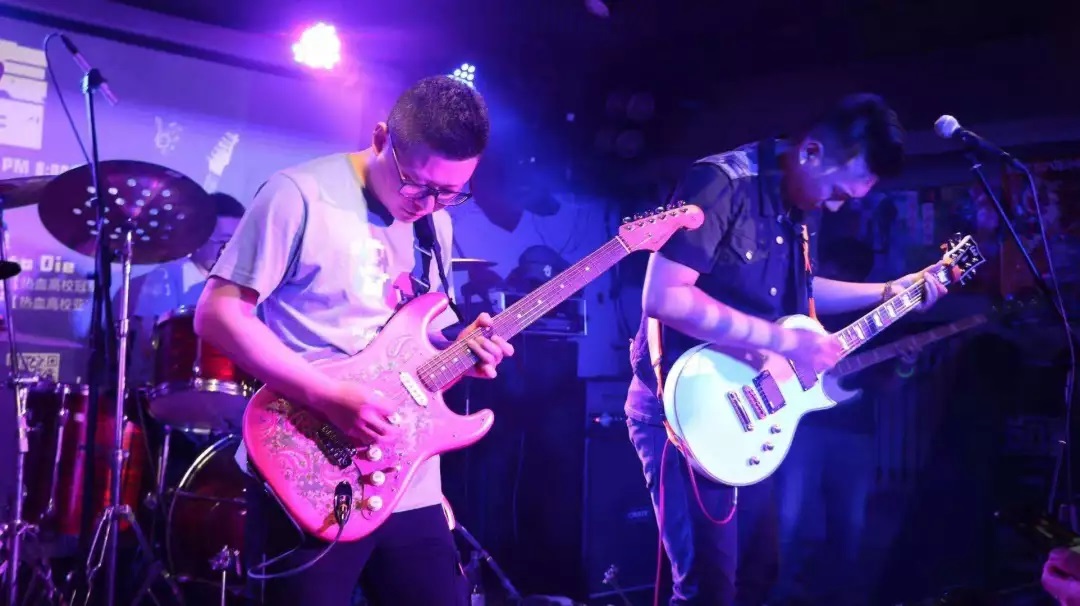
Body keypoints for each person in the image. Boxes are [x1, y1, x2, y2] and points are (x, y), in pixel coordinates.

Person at [193, 75, 514, 606]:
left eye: (450, 193)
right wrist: (327, 396)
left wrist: (462, 349)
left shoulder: (435, 224)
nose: (429, 204)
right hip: (309, 467)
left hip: (409, 478)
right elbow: (218, 315)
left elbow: (415, 333)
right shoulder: (298, 195)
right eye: (417, 185)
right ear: (382, 138)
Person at [624, 93, 949, 605]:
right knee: (709, 589)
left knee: (758, 575)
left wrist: (892, 290)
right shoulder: (720, 183)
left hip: (746, 406)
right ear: (811, 151)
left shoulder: (800, 205)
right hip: (684, 409)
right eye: (838, 192)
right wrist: (784, 342)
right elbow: (664, 297)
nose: (836, 205)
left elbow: (805, 289)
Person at [126, 192, 246, 384]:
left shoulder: (241, 284)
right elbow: (150, 344)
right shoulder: (165, 277)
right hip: (176, 385)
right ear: (198, 239)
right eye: (223, 241)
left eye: (236, 243)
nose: (229, 250)